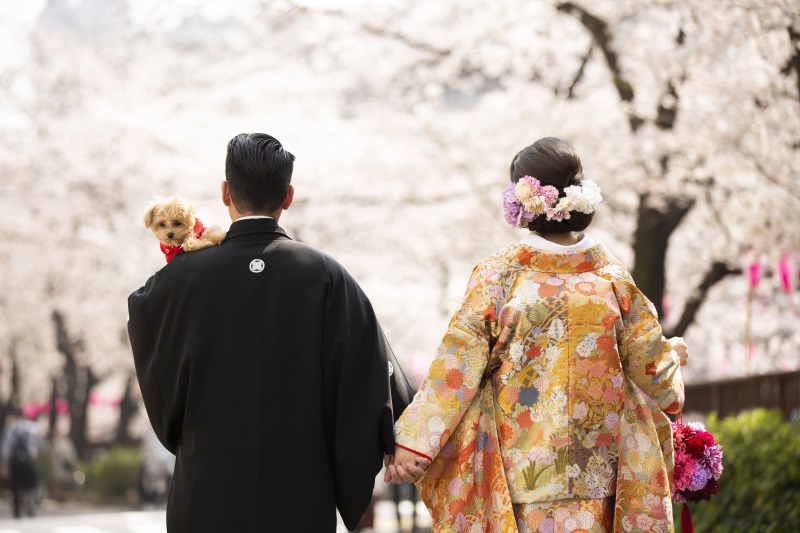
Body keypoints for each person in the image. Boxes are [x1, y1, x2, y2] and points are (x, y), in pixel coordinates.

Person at [386, 137, 687, 532]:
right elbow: (658, 379)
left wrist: (413, 442)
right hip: (602, 477)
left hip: (521, 474)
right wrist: (671, 357)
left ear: (519, 200)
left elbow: (457, 366)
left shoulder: (499, 276)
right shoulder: (611, 279)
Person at [128, 133, 418, 532]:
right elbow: (370, 367)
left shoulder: (176, 280)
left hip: (207, 490)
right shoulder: (325, 274)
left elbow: (145, 324)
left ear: (225, 192)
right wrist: (397, 438)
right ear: (288, 195)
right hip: (299, 493)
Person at [1, 408, 44, 518]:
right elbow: (42, 444)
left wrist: (4, 464)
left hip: (15, 462)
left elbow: (5, 448)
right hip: (29, 461)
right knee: (32, 483)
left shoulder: (11, 428)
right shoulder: (32, 427)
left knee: (15, 487)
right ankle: (30, 498)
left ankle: (17, 511)